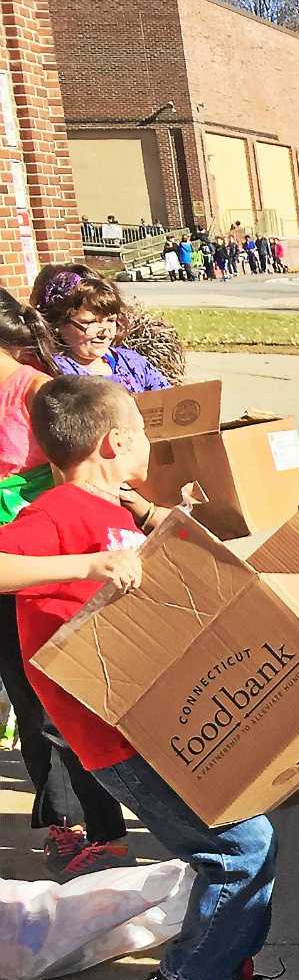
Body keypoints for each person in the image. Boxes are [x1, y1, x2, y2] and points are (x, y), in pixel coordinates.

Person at [0, 376, 299, 980]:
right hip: (110, 735)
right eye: (145, 433)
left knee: (241, 834)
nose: (154, 448)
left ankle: (225, 973)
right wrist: (90, 565)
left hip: (155, 719)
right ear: (118, 441)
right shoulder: (57, 514)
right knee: (239, 849)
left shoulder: (114, 508)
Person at [0, 290, 131, 875]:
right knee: (31, 708)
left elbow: (75, 473)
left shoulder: (33, 392)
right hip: (19, 568)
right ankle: (64, 817)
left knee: (63, 706)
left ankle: (101, 827)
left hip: (43, 562)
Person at [42, 277, 170, 392]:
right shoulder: (57, 374)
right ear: (60, 324)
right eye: (91, 322)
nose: (103, 333)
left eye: (110, 320)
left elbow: (170, 399)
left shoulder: (132, 361)